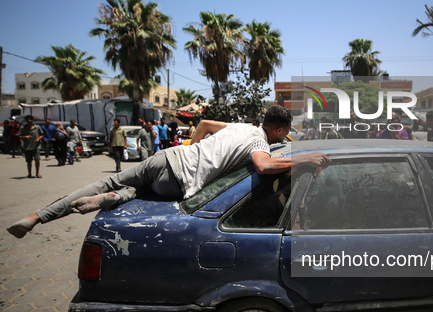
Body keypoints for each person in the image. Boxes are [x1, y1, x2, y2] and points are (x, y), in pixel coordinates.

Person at [7, 106, 330, 239]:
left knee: (118, 183)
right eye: (282, 134)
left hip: (169, 157)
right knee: (149, 192)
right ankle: (114, 197)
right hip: (179, 181)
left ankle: (38, 216)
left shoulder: (241, 126)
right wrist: (303, 160)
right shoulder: (259, 140)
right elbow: (264, 165)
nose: (281, 139)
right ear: (277, 128)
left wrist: (194, 151)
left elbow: (201, 125)